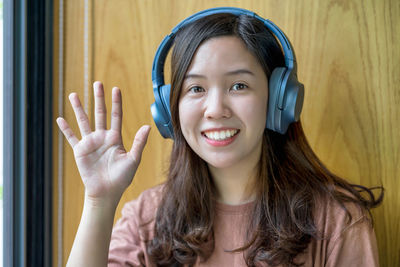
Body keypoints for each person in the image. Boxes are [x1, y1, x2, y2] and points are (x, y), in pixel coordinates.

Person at [57, 8, 383, 267]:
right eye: (196, 88)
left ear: (278, 99)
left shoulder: (336, 221)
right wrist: (99, 203)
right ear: (170, 111)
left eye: (238, 86)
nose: (215, 109)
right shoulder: (147, 220)